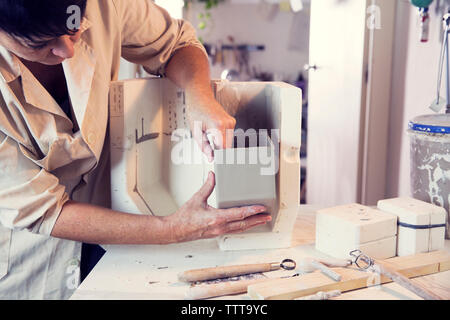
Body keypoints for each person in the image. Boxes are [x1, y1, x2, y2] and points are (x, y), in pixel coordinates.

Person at [0, 0, 271, 299]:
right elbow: (45, 211)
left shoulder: (104, 5)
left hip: (118, 227)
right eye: (42, 43)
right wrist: (174, 229)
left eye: (74, 30)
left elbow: (177, 43)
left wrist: (199, 97)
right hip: (34, 256)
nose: (68, 51)